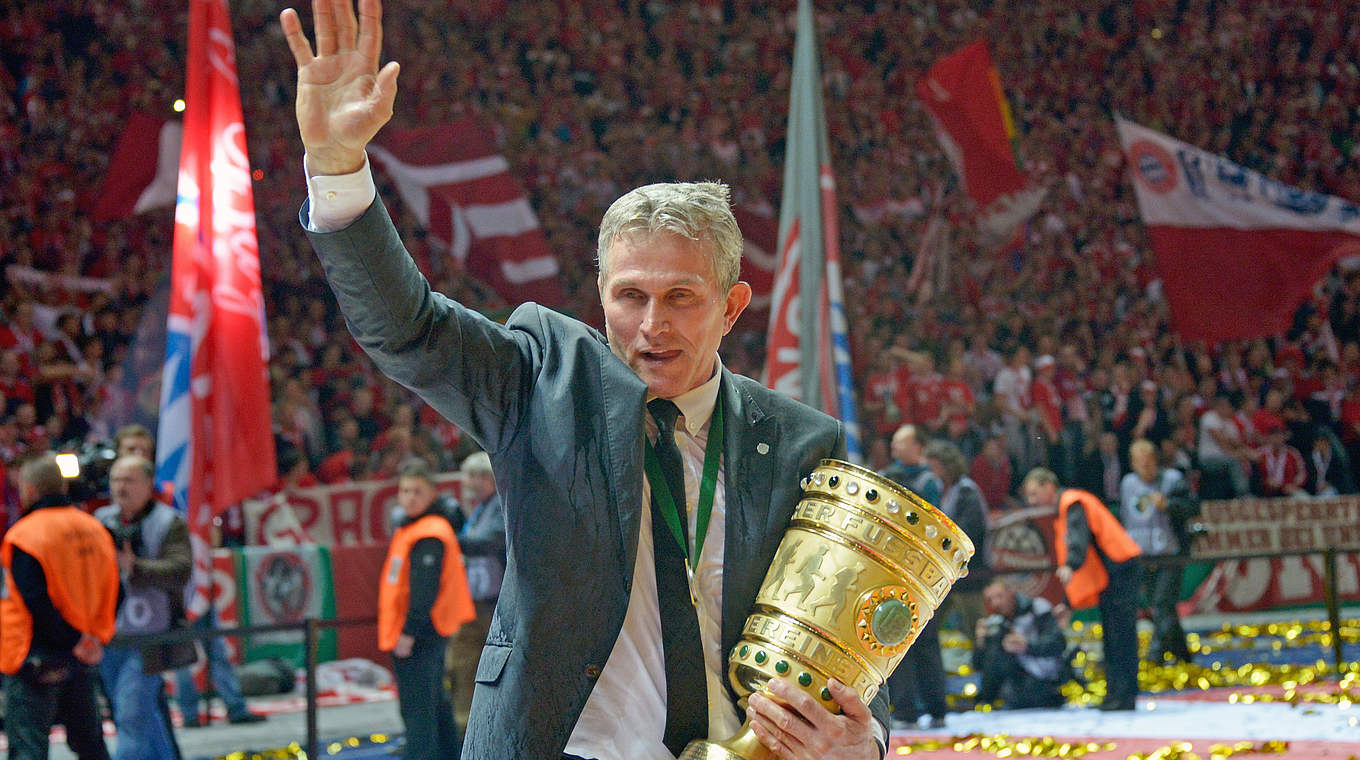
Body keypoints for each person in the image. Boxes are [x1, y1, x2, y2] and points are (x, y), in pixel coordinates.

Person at [278, 3, 889, 757]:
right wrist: (338, 168)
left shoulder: (800, 442)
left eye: (681, 298)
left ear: (731, 307)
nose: (651, 325)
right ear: (602, 294)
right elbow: (409, 331)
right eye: (630, 296)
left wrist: (867, 742)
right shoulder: (541, 379)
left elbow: (843, 638)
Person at [1, 454, 119, 760]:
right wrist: (90, 639)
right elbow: (117, 589)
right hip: (84, 654)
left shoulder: (26, 535)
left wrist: (71, 639)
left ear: (29, 488)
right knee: (91, 746)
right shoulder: (96, 529)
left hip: (35, 657)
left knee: (28, 749)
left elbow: (35, 601)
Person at [94, 456, 193, 760]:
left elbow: (181, 569)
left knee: (131, 713)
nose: (120, 487)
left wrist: (137, 567)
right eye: (115, 480)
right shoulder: (100, 520)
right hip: (110, 634)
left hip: (150, 634)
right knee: (142, 713)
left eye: (129, 480)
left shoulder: (169, 521)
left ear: (149, 485)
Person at [1022, 467, 1141, 711]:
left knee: (1120, 636)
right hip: (1115, 571)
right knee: (1114, 635)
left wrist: (1070, 565)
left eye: (1035, 494)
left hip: (1120, 568)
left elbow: (1077, 540)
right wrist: (1067, 601)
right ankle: (1118, 694)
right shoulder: (1066, 506)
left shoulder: (1071, 503)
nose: (1032, 501)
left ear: (1048, 486)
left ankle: (1123, 695)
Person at [380, 459, 475, 760]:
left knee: (418, 709)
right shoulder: (415, 527)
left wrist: (409, 632)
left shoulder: (428, 534)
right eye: (404, 491)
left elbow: (424, 592)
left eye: (417, 491)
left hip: (421, 633)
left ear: (432, 493)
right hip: (425, 630)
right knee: (435, 703)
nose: (409, 497)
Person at [1119, 440, 1197, 665]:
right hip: (1142, 554)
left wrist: (1169, 505)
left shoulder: (1172, 480)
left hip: (1169, 552)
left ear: (1155, 460)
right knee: (1160, 607)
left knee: (1162, 603)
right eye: (1139, 461)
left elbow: (1193, 507)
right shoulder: (1128, 484)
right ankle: (1182, 654)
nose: (1144, 465)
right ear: (1133, 464)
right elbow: (1126, 516)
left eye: (1148, 460)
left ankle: (1155, 657)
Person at [447, 451, 506, 735]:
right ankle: (468, 730)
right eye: (470, 475)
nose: (474, 482)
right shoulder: (480, 509)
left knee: (476, 669)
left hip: (491, 606)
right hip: (475, 604)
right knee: (463, 668)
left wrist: (448, 539)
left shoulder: (500, 506)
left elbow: (488, 542)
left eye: (481, 476)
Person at [924, 440, 991, 646]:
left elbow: (969, 531)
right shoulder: (939, 490)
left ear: (946, 465)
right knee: (928, 628)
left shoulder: (966, 491)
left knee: (977, 630)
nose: (931, 471)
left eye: (933, 466)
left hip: (969, 576)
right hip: (945, 576)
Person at [971, 580, 1067, 710]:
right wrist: (980, 642)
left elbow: (1058, 644)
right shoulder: (996, 622)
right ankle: (986, 701)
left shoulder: (1038, 609)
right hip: (1013, 683)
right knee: (995, 654)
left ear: (1011, 592)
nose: (995, 603)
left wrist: (1027, 646)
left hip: (1044, 678)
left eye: (999, 596)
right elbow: (978, 665)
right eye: (990, 599)